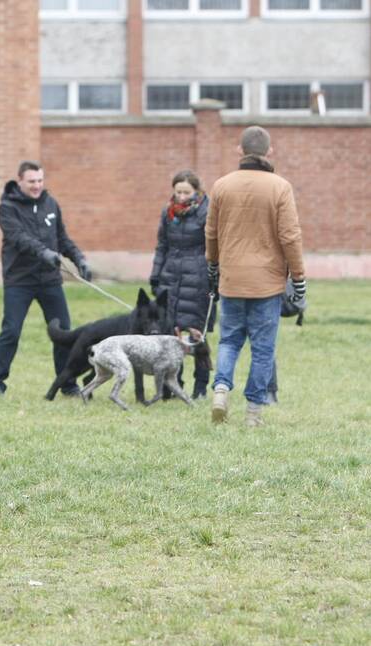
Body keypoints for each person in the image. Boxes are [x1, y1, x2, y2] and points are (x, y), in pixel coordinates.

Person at [206, 126, 305, 427]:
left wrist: (213, 266)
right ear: (269, 152)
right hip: (268, 282)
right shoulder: (280, 187)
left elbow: (211, 233)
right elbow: (290, 236)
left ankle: (221, 389)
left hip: (232, 278)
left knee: (229, 340)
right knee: (263, 349)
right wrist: (298, 278)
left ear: (240, 151)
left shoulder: (222, 186)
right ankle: (253, 412)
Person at [0, 161, 91, 399]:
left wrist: (79, 259)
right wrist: (44, 253)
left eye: (40, 181)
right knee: (11, 331)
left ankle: (68, 384)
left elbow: (62, 238)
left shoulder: (50, 203)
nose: (37, 186)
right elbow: (19, 238)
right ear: (20, 181)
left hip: (49, 280)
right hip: (19, 281)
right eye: (32, 181)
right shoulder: (7, 207)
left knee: (63, 332)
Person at [149, 169, 211, 399]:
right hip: (171, 278)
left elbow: (214, 247)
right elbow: (161, 246)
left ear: (197, 191)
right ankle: (174, 384)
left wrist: (213, 278)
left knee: (197, 335)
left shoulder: (207, 211)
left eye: (186, 192)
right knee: (172, 336)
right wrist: (156, 276)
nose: (182, 196)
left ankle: (201, 387)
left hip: (198, 281)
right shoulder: (168, 213)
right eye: (178, 192)